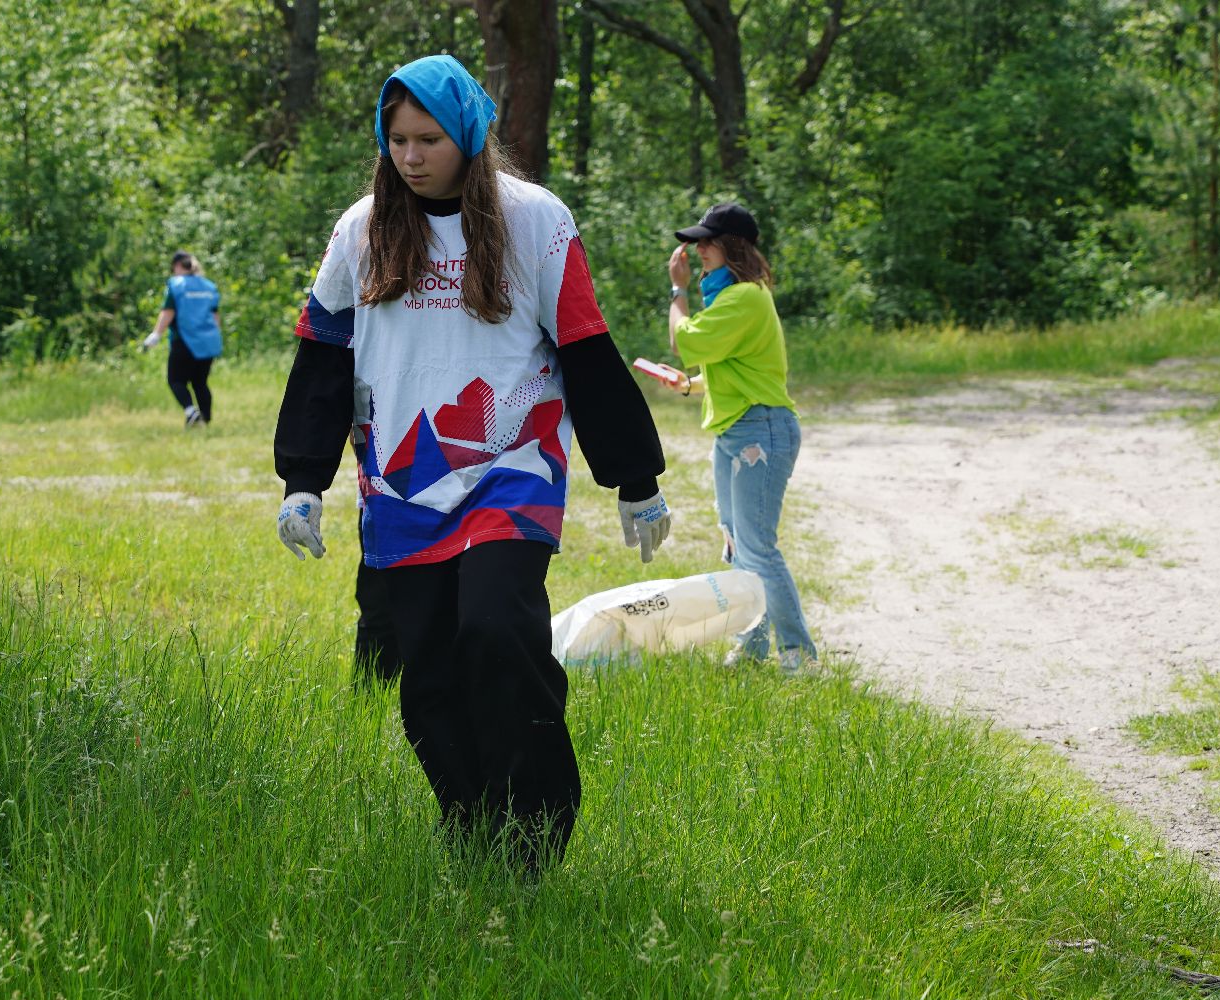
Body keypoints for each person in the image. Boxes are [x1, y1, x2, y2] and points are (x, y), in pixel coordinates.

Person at [271, 55, 671, 876]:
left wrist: (634, 477)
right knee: (429, 676)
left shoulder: (535, 220)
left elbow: (587, 345)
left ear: (469, 134)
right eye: (396, 141)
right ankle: (470, 827)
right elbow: (320, 358)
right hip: (403, 482)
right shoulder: (360, 230)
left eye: (429, 139)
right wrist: (301, 479)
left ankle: (532, 842)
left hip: (510, 466)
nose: (410, 157)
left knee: (496, 632)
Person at [665, 202, 819, 673]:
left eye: (706, 243)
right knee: (736, 543)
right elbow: (740, 371)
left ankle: (798, 654)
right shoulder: (733, 300)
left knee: (758, 547)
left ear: (731, 248)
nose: (698, 251)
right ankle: (753, 647)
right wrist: (693, 385)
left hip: (761, 430)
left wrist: (677, 291)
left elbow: (685, 342)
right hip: (738, 428)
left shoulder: (744, 299)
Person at [142, 251, 223, 428]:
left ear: (178, 266)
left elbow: (168, 312)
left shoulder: (176, 285)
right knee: (200, 382)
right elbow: (215, 316)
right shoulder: (209, 286)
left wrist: (156, 334)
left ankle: (191, 412)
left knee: (175, 380)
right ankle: (205, 420)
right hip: (208, 342)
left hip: (184, 341)